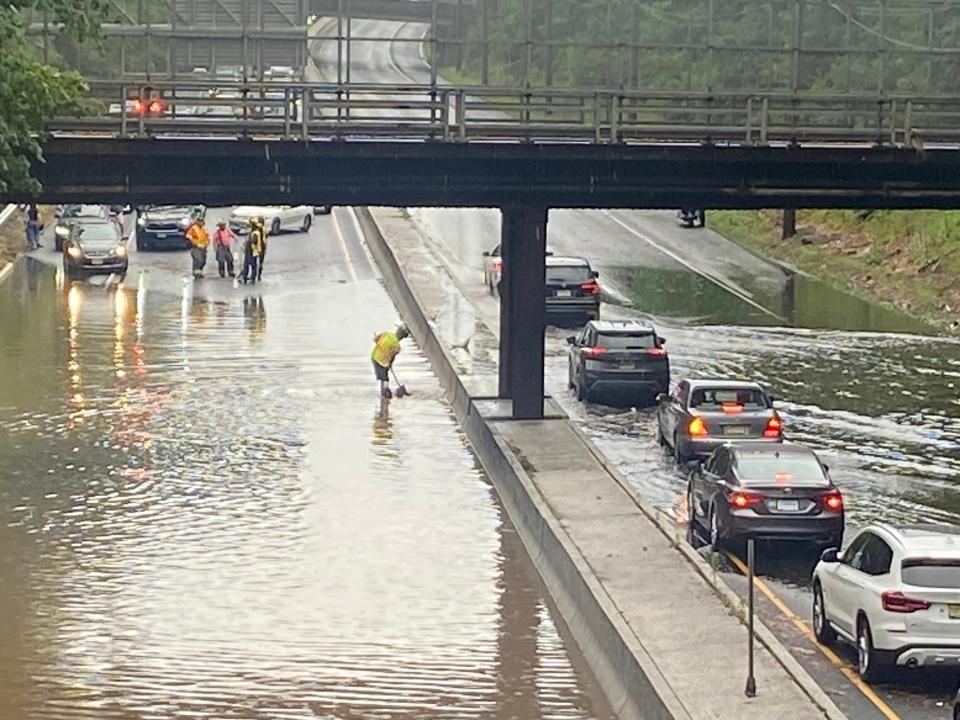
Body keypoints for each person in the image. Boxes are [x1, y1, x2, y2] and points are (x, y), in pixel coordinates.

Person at [371, 324, 410, 399]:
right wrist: (390, 365)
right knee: (385, 377)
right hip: (384, 362)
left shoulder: (386, 334)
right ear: (402, 338)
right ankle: (385, 392)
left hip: (375, 357)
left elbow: (375, 339)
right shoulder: (397, 347)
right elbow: (392, 358)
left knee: (382, 377)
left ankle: (384, 393)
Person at [242, 217, 266, 284]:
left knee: (248, 264)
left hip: (251, 250)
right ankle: (253, 277)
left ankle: (247, 277)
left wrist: (247, 243)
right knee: (254, 265)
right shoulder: (259, 231)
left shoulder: (255, 233)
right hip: (256, 251)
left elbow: (253, 241)